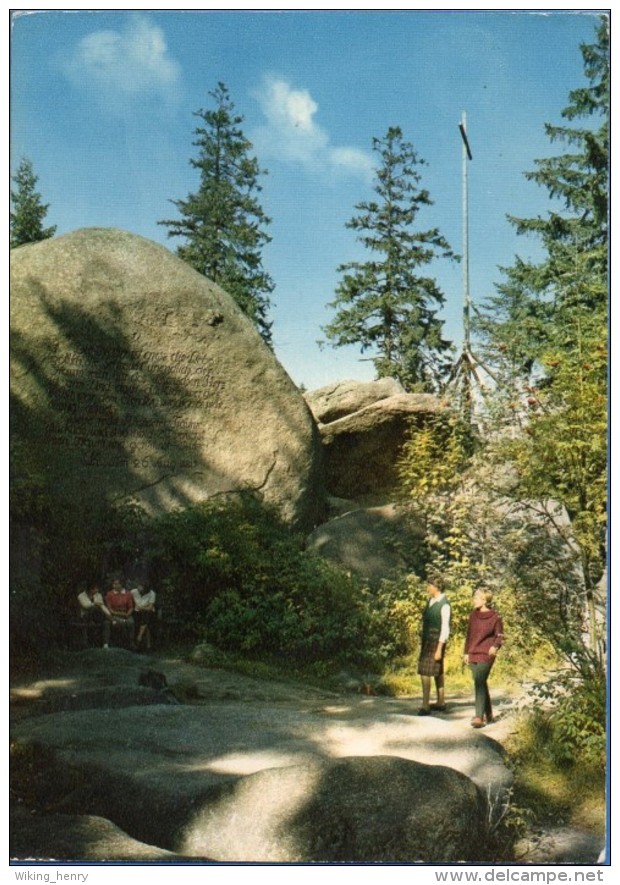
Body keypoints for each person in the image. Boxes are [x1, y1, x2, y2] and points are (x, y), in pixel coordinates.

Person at [463, 588, 504, 728]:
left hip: (487, 654)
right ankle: (489, 714)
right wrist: (466, 653)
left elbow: (499, 636)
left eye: (476, 597)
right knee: (480, 682)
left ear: (484, 600)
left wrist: (495, 646)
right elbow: (469, 635)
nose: (474, 600)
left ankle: (478, 717)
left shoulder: (495, 617)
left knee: (479, 682)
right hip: (473, 652)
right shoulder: (473, 615)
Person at [417, 573, 451, 715]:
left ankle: (425, 705)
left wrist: (439, 648)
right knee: (438, 671)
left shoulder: (444, 605)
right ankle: (441, 702)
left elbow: (445, 628)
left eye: (429, 585)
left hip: (436, 641)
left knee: (425, 671)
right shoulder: (430, 601)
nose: (427, 588)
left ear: (436, 587)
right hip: (427, 640)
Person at [77, 583, 112, 648]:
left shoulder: (98, 595)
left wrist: (108, 614)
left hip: (97, 616)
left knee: (106, 622)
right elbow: (86, 606)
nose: (97, 590)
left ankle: (105, 644)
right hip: (86, 616)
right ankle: (111, 620)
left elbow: (102, 606)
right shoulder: (81, 596)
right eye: (96, 588)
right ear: (91, 589)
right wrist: (95, 604)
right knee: (94, 608)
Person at [104, 578, 135, 649]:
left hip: (125, 614)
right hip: (114, 615)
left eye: (116, 584)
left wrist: (127, 614)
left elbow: (131, 607)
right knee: (110, 622)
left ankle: (131, 642)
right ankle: (111, 644)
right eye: (113, 584)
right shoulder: (110, 594)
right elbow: (110, 609)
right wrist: (118, 613)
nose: (114, 585)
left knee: (131, 622)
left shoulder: (128, 594)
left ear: (121, 585)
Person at [131, 583, 156, 650]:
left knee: (146, 614)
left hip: (148, 613)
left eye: (141, 587)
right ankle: (141, 639)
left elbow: (150, 608)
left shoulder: (151, 593)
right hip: (137, 612)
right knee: (142, 619)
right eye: (139, 586)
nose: (139, 588)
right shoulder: (133, 591)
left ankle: (139, 636)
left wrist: (141, 608)